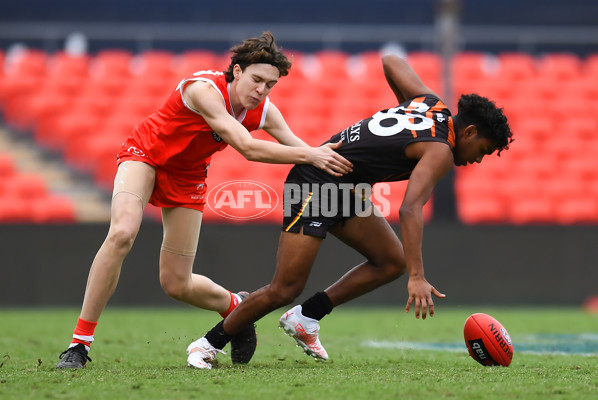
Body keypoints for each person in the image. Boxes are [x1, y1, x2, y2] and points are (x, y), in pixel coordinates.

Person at [184, 52, 513, 369]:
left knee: (391, 260)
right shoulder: (441, 151)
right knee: (284, 288)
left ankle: (306, 317)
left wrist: (405, 106)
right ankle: (208, 344)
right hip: (316, 182)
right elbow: (411, 208)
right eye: (481, 151)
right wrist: (417, 277)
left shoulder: (430, 103)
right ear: (468, 132)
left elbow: (391, 60)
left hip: (344, 186)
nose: (476, 160)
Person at [55, 32, 353, 369]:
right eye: (256, 79)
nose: (261, 90)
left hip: (188, 176)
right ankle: (79, 345)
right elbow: (248, 147)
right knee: (122, 233)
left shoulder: (264, 112)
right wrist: (314, 155)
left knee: (177, 284)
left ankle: (236, 307)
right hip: (145, 156)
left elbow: (302, 151)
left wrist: (334, 167)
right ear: (237, 71)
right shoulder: (203, 90)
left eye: (270, 84)